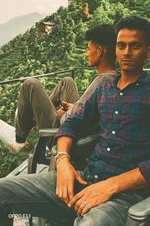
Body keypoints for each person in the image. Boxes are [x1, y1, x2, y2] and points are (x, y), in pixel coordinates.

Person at [0, 16, 150, 226]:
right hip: (83, 177)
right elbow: (71, 124)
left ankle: (20, 131)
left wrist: (111, 186)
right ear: (114, 49)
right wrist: (62, 161)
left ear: (148, 50)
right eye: (121, 45)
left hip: (123, 196)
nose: (126, 52)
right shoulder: (105, 89)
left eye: (135, 46)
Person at [0, 24, 116, 153]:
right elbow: (86, 112)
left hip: (65, 136)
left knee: (30, 84)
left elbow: (70, 118)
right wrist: (73, 107)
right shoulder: (112, 77)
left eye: (88, 49)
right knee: (67, 82)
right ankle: (32, 117)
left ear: (99, 51)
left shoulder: (102, 81)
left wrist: (62, 111)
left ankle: (18, 140)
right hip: (77, 125)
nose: (86, 53)